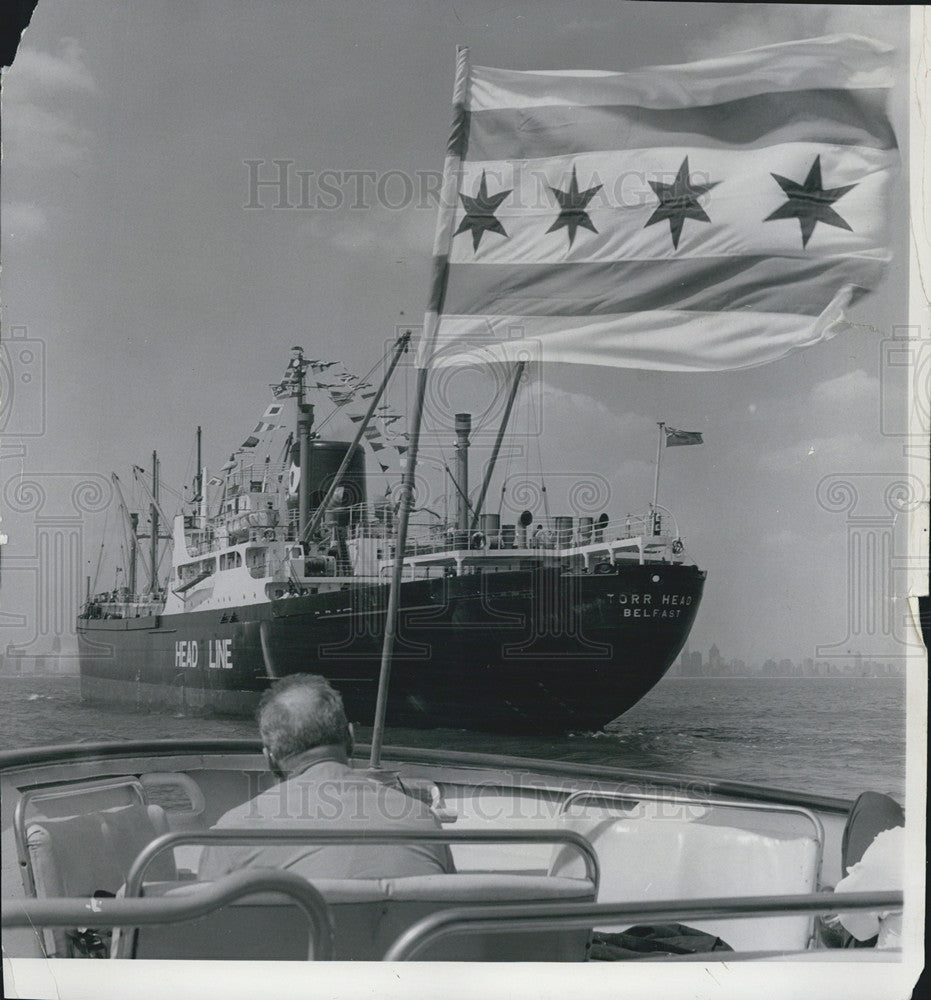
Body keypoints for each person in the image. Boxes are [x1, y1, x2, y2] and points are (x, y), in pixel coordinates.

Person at [198, 674, 453, 881]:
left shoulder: (233, 832)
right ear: (351, 736)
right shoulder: (422, 819)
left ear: (270, 756)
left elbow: (205, 930)